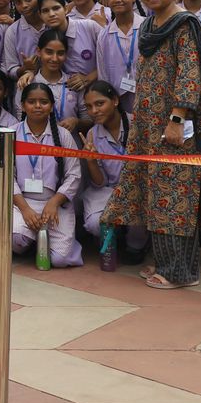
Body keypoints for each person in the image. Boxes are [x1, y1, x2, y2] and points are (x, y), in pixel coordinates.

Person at [103, 0, 201, 287]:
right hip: (147, 124)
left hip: (174, 126)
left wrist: (176, 119)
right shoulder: (150, 24)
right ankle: (164, 261)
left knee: (174, 196)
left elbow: (189, 75)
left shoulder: (184, 25)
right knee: (154, 192)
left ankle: (179, 272)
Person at [0, 82, 84, 268]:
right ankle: (32, 241)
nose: (37, 106)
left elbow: (73, 175)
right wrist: (25, 209)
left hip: (55, 204)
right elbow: (6, 176)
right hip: (21, 202)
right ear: (23, 105)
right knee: (16, 239)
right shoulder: (12, 134)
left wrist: (54, 202)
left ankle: (52, 239)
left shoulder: (63, 136)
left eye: (43, 102)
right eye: (32, 102)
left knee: (60, 260)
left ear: (51, 106)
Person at [79, 80, 147, 266]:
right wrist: (91, 161)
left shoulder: (137, 124)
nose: (94, 111)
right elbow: (99, 183)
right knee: (95, 223)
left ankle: (136, 244)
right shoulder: (92, 134)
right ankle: (113, 234)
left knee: (137, 211)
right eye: (89, 106)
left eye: (100, 103)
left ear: (115, 101)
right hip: (108, 190)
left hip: (137, 188)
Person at [96, 0, 140, 114]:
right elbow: (103, 73)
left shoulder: (147, 27)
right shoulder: (104, 35)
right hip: (118, 102)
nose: (117, 0)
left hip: (147, 97)